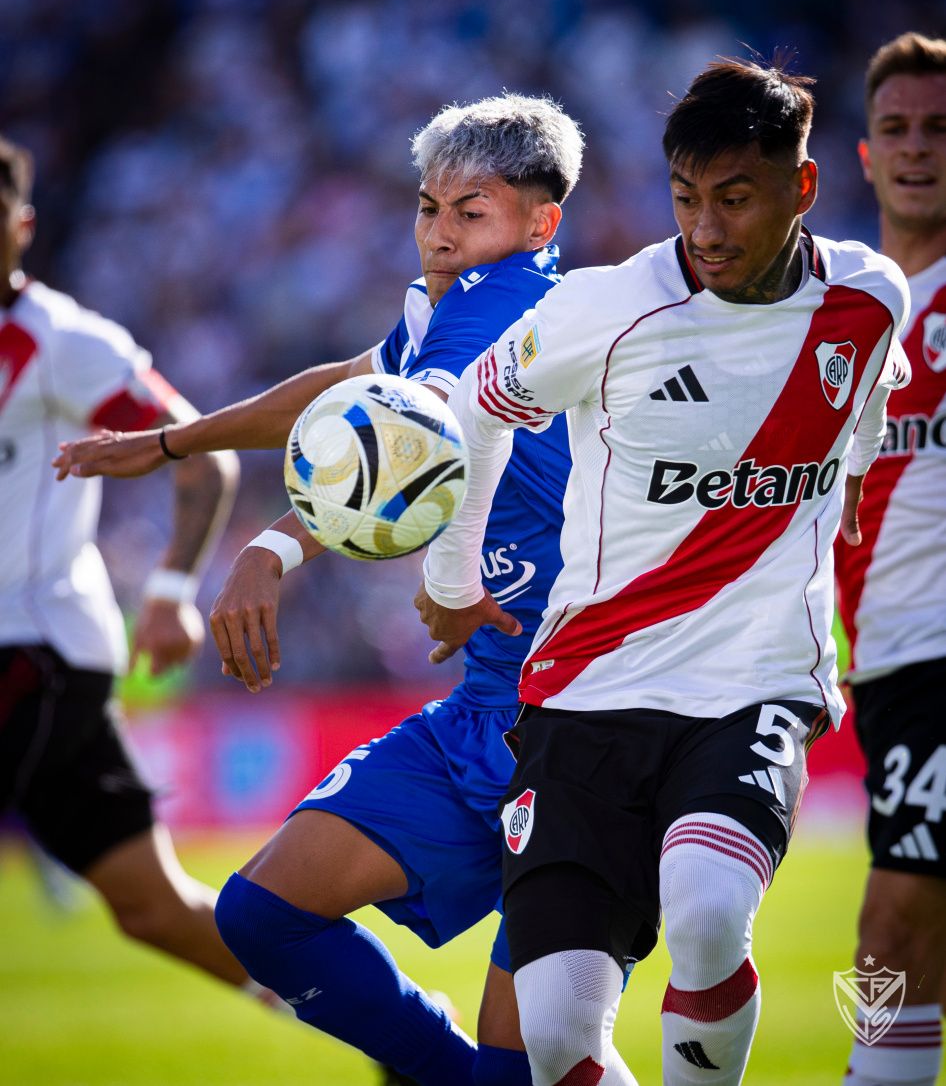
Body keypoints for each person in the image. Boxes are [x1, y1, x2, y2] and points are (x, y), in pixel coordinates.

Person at [54, 94, 585, 1086]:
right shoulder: (439, 309)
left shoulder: (517, 305)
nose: (438, 234)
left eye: (470, 212)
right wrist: (172, 441)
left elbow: (406, 441)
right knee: (263, 915)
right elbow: (345, 388)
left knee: (528, 1065)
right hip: (487, 702)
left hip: (584, 721)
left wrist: (272, 548)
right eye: (427, 208)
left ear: (538, 222)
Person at [419, 60, 912, 1086]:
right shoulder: (604, 309)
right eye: (686, 198)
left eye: (735, 198)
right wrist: (455, 572)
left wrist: (857, 482)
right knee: (557, 1037)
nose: (706, 229)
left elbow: (868, 401)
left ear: (802, 187)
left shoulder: (868, 297)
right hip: (586, 688)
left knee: (706, 907)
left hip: (753, 683)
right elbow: (474, 409)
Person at [0, 137, 282, 1004]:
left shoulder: (61, 342)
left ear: (23, 227)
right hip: (41, 662)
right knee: (153, 909)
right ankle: (401, 1031)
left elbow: (205, 455)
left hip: (32, 652)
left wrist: (167, 595)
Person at [833, 32, 946, 1086]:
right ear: (866, 155)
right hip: (882, 668)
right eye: (897, 129)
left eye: (940, 128)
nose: (917, 148)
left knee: (894, 924)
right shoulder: (842, 312)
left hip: (938, 660)